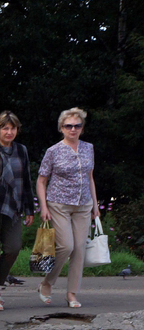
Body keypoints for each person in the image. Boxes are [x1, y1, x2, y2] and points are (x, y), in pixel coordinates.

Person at [36, 107, 100, 308]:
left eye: (77, 126)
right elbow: (41, 180)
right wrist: (43, 206)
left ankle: (72, 293)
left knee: (80, 249)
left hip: (83, 204)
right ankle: (47, 282)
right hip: (59, 204)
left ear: (82, 128)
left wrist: (95, 206)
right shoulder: (53, 151)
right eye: (68, 126)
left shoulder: (88, 148)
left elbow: (90, 177)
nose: (73, 129)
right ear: (61, 128)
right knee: (66, 246)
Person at [0, 112, 34, 309]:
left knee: (13, 248)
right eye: (5, 128)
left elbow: (26, 180)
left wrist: (30, 208)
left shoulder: (22, 150)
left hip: (13, 207)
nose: (9, 132)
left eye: (12, 128)